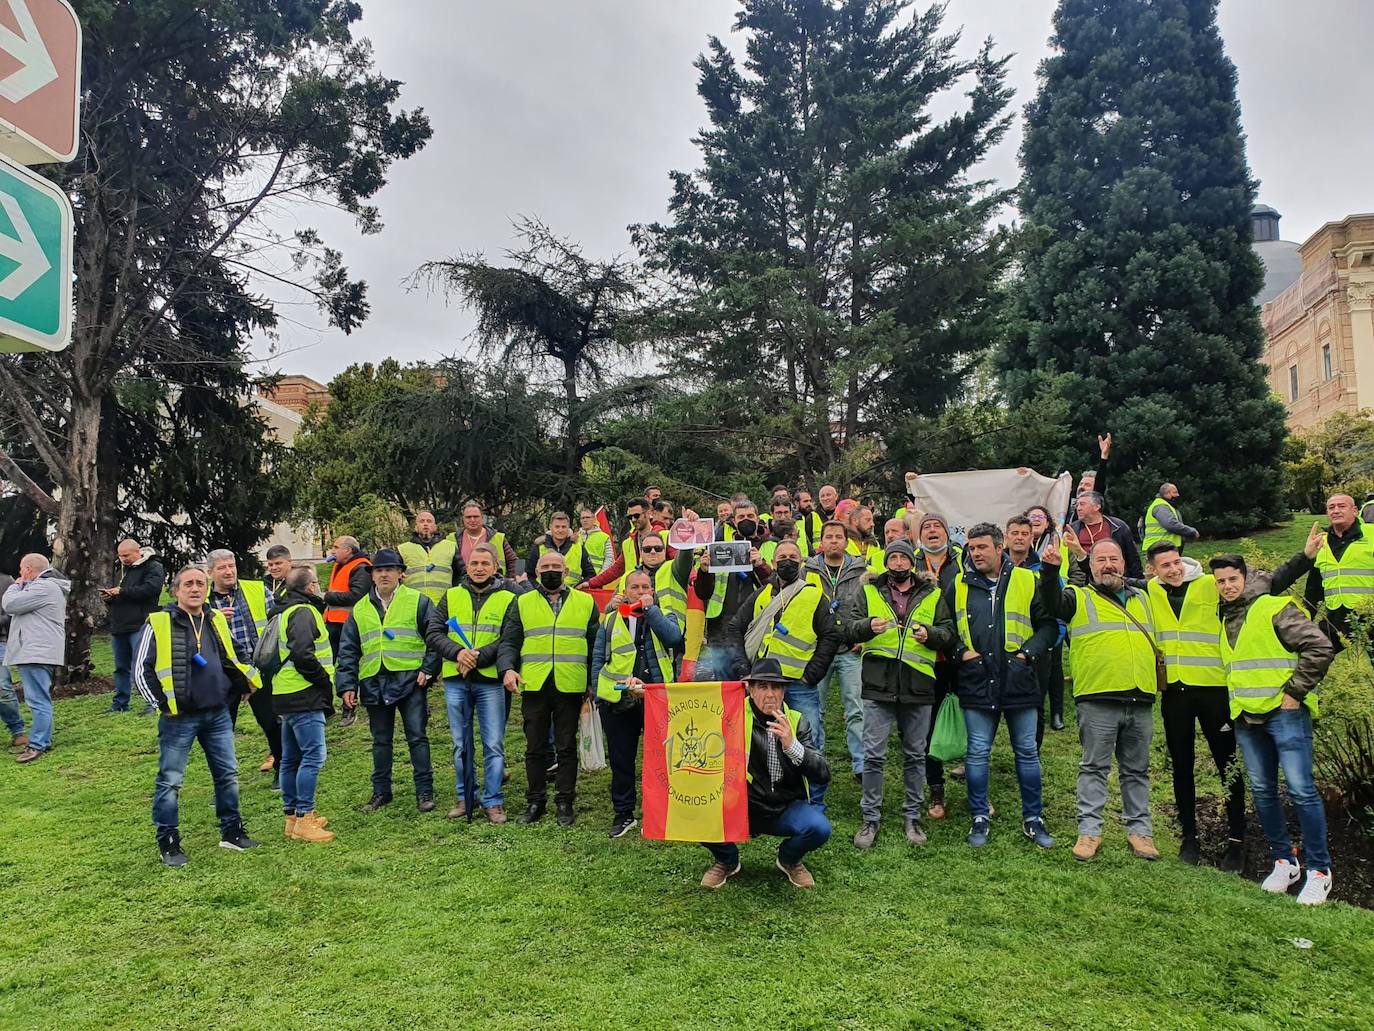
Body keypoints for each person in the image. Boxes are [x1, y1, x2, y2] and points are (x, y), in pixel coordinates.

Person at [1211, 554, 1335, 904]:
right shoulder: (1225, 619)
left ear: (1245, 578)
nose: (1227, 586)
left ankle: (1320, 871)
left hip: (1285, 714)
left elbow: (1319, 646)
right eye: (1220, 581)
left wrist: (1295, 692)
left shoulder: (1273, 608)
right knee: (1263, 792)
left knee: (1301, 791)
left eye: (1233, 579)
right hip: (1247, 718)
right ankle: (1285, 861)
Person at [134, 565, 262, 865]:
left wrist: (246, 682)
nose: (195, 589)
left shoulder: (214, 619)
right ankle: (168, 842)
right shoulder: (159, 622)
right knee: (171, 780)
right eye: (188, 584)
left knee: (227, 775)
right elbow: (141, 670)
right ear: (176, 590)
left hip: (217, 712)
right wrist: (162, 705)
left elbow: (236, 652)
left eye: (200, 584)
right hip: (179, 718)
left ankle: (232, 832)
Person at [1041, 539, 1160, 862]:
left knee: (1136, 770)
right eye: (1101, 559)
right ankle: (1089, 832)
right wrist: (1051, 570)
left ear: (1124, 563)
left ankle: (1140, 833)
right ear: (1089, 566)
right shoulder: (1077, 597)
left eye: (1114, 559)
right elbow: (1050, 604)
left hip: (1140, 697)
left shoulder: (1145, 598)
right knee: (1094, 767)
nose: (1108, 564)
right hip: (1097, 698)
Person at [1144, 541, 1257, 868]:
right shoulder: (1150, 590)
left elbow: (1258, 582)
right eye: (1165, 565)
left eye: (1177, 561)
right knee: (1182, 764)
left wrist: (1305, 558)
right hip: (1175, 694)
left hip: (1213, 690)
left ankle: (1237, 839)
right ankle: (1189, 837)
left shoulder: (1210, 584)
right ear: (1153, 569)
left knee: (1227, 763)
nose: (1174, 569)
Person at [842, 539, 957, 848]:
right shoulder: (867, 591)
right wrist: (868, 627)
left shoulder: (933, 594)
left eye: (902, 558)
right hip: (879, 685)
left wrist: (930, 634)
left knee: (915, 755)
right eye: (892, 558)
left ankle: (912, 817)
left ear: (911, 563)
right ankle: (870, 819)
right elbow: (848, 628)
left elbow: (949, 633)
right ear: (886, 562)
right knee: (874, 755)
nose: (897, 563)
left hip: (918, 685)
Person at [949, 523, 1058, 849]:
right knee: (977, 753)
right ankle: (979, 817)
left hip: (1018, 680)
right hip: (976, 679)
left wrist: (1026, 655)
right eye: (971, 548)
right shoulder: (959, 584)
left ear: (1000, 548)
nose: (976, 553)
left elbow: (1048, 627)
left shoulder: (1028, 579)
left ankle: (1033, 819)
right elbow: (944, 626)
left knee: (1026, 752)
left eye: (982, 547)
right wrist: (961, 653)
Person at [699, 658, 832, 890]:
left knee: (819, 828)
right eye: (762, 686)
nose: (770, 694)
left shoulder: (798, 722)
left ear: (783, 691)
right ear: (750, 689)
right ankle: (727, 861)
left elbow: (823, 773)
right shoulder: (731, 716)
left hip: (785, 807)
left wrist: (792, 746)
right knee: (698, 815)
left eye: (776, 687)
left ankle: (789, 860)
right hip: (742, 805)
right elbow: (688, 710)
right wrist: (646, 694)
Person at [729, 541, 840, 805]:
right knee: (755, 741)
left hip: (798, 684)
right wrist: (744, 671)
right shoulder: (763, 594)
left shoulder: (813, 595)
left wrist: (812, 674)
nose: (787, 561)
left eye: (793, 556)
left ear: (801, 562)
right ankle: (763, 796)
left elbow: (831, 634)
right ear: (774, 561)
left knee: (809, 742)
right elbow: (735, 627)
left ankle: (814, 804)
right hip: (763, 685)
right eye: (782, 557)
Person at [497, 550, 599, 826]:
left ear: (566, 572)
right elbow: (509, 641)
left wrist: (592, 680)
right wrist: (507, 669)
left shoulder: (586, 602)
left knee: (566, 747)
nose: (551, 570)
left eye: (557, 566)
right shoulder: (522, 602)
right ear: (536, 572)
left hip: (571, 683)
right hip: (534, 683)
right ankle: (535, 801)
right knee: (535, 747)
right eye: (545, 567)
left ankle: (565, 802)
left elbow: (594, 645)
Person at [335, 548, 438, 815]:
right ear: (372, 576)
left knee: (417, 737)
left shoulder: (419, 601)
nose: (384, 574)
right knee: (381, 740)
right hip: (373, 681)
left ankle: (424, 791)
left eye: (389, 570)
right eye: (379, 570)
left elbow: (435, 638)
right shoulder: (359, 609)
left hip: (411, 680)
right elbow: (348, 650)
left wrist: (428, 669)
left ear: (400, 574)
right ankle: (381, 792)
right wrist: (347, 685)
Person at [428, 542, 522, 822]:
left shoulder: (508, 598)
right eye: (474, 564)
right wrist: (457, 653)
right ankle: (465, 796)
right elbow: (434, 632)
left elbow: (509, 638)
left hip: (490, 680)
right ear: (466, 567)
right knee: (460, 744)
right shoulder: (451, 595)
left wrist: (477, 658)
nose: (479, 568)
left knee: (493, 743)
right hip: (457, 679)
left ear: (495, 567)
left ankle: (493, 800)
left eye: (485, 564)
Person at [591, 568, 685, 838]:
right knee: (622, 760)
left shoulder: (663, 615)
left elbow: (674, 639)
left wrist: (650, 610)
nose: (641, 592)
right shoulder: (610, 620)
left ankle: (666, 812)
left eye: (646, 587)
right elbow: (598, 658)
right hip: (618, 699)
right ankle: (624, 814)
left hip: (656, 698)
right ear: (624, 591)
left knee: (663, 759)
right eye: (636, 587)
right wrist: (599, 693)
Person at [270, 565, 337, 844]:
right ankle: (305, 817)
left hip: (284, 692)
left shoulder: (283, 610)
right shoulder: (304, 612)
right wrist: (323, 681)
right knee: (313, 756)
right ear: (310, 587)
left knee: (291, 758)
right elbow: (303, 654)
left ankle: (292, 817)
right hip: (304, 693)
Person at [207, 548, 280, 782]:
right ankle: (225, 782)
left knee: (271, 721)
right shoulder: (203, 600)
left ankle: (282, 769)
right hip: (222, 673)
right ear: (210, 572)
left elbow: (277, 623)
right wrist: (213, 618)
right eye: (222, 568)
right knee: (222, 730)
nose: (229, 572)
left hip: (257, 668)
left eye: (232, 566)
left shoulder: (257, 589)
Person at [805, 519, 867, 783]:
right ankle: (815, 760)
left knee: (855, 707)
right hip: (818, 651)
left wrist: (863, 636)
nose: (833, 541)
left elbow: (870, 606)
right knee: (814, 709)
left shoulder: (862, 571)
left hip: (850, 650)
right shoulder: (807, 570)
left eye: (838, 537)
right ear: (821, 542)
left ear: (846, 541)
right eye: (828, 537)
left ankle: (861, 764)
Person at [912, 514, 961, 820]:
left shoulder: (963, 561)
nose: (932, 531)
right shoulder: (911, 564)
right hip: (924, 657)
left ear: (947, 532)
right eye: (926, 527)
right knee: (928, 727)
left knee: (967, 720)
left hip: (959, 653)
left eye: (937, 527)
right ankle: (936, 791)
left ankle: (977, 791)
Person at [691, 500, 773, 680]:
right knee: (725, 684)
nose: (746, 520)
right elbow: (702, 593)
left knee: (757, 680)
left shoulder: (772, 546)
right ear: (734, 521)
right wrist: (704, 571)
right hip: (721, 627)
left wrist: (761, 565)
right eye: (741, 517)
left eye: (750, 516)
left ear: (758, 519)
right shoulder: (720, 548)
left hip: (757, 623)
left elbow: (778, 586)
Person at [1289, 495, 1374, 661]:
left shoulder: (1371, 535)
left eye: (1341, 506)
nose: (1336, 511)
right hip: (1338, 617)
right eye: (1331, 507)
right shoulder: (1321, 542)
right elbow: (1314, 589)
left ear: (1355, 511)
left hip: (1370, 614)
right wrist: (1303, 622)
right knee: (1311, 656)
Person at [4, 555, 70, 764]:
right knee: (39, 697)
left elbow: (10, 604)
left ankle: (37, 744)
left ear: (28, 569)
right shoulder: (47, 586)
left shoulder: (44, 587)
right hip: (37, 649)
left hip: (36, 650)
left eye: (21, 569)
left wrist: (16, 585)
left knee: (37, 699)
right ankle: (43, 739)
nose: (20, 573)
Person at [1011, 512, 1067, 738]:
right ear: (1006, 537)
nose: (1019, 538)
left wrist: (1052, 642)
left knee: (1035, 704)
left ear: (1031, 538)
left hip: (1036, 647)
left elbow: (1058, 609)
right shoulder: (995, 569)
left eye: (1025, 533)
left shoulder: (1045, 569)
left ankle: (1031, 756)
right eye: (1014, 533)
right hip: (1002, 646)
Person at [100, 538, 165, 714]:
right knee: (121, 667)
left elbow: (152, 590)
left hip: (141, 624)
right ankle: (120, 704)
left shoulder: (153, 567)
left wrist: (122, 592)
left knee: (145, 665)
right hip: (119, 625)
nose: (123, 559)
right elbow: (121, 594)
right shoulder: (121, 570)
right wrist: (110, 598)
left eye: (126, 555)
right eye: (120, 556)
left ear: (138, 551)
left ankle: (154, 703)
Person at [322, 535, 372, 727]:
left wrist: (328, 597)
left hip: (349, 625)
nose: (332, 551)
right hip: (334, 624)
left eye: (336, 547)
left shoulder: (361, 567)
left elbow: (356, 596)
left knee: (346, 666)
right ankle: (327, 708)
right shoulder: (342, 565)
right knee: (328, 665)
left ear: (348, 550)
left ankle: (349, 709)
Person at [1069, 491, 1142, 579]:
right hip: (1084, 580)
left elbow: (1132, 557)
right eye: (1077, 505)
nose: (1078, 508)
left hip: (1116, 577)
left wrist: (1137, 582)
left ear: (1097, 507)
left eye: (1082, 504)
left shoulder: (1118, 526)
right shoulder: (1072, 529)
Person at [399, 510, 458, 603]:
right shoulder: (402, 549)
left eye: (429, 521)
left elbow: (461, 575)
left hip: (443, 605)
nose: (425, 524)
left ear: (435, 527)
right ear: (416, 527)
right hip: (413, 604)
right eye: (422, 521)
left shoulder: (451, 547)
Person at [456, 501, 520, 579]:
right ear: (463, 519)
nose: (472, 520)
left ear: (482, 518)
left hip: (494, 586)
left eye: (476, 516)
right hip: (462, 586)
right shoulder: (452, 539)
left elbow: (514, 561)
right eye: (468, 517)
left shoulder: (498, 538)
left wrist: (511, 581)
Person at [529, 511, 593, 587]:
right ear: (550, 527)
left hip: (571, 593)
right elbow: (529, 575)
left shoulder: (578, 547)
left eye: (563, 527)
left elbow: (591, 574)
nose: (560, 530)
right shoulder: (539, 547)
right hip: (543, 593)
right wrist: (537, 588)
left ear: (568, 527)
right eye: (557, 527)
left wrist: (578, 588)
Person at [1140, 483, 1200, 554]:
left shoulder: (1167, 505)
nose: (1178, 495)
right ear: (1166, 494)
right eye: (1175, 492)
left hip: (1163, 547)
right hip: (1159, 548)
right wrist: (1191, 532)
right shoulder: (1161, 506)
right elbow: (1171, 524)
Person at [0, 570, 22, 748]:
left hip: (0, 641)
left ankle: (17, 730)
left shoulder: (5, 581)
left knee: (3, 688)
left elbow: (14, 612)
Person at [577, 509, 614, 575]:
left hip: (596, 577)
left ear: (594, 519)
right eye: (582, 518)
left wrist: (600, 575)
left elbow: (609, 558)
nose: (585, 520)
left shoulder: (604, 537)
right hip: (577, 578)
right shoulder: (575, 537)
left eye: (588, 517)